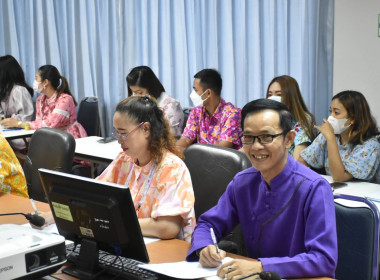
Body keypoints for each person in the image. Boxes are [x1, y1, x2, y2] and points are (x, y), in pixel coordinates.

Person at [187, 99, 337, 279]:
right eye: (249, 137)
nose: (256, 146)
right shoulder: (242, 182)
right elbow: (208, 224)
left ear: (289, 139)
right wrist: (204, 247)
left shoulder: (314, 188)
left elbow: (323, 259)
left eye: (266, 137)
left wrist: (261, 266)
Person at [97, 95, 196, 242]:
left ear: (145, 129)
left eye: (123, 133)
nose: (118, 139)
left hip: (167, 252)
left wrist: (118, 222)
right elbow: (96, 194)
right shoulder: (124, 160)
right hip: (133, 242)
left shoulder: (171, 167)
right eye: (116, 132)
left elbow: (167, 227)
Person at [300, 90, 380, 183]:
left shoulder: (370, 145)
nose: (330, 117)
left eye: (336, 113)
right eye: (330, 111)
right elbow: (303, 161)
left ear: (353, 118)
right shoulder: (327, 136)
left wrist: (331, 138)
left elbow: (339, 177)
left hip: (361, 195)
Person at [2, 65, 87, 140]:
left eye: (36, 78)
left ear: (45, 82)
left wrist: (19, 123)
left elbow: (50, 125)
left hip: (69, 139)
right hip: (51, 138)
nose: (34, 82)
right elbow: (38, 123)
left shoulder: (65, 99)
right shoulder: (40, 100)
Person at [177, 69, 242, 152]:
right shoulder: (196, 112)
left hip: (223, 162)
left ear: (208, 93)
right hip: (201, 160)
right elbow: (185, 139)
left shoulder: (232, 114)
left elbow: (222, 149)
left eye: (196, 90)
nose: (192, 94)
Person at [266, 75, 316, 160]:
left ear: (290, 96)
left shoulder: (302, 119)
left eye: (279, 94)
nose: (272, 98)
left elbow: (297, 161)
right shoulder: (268, 118)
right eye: (270, 94)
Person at [126, 66, 184, 138]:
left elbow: (172, 136)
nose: (136, 96)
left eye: (140, 92)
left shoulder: (171, 105)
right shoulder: (138, 104)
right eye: (133, 92)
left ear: (151, 87)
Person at [0, 55, 34, 151]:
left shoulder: (19, 90)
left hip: (20, 134)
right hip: (8, 131)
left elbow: (25, 117)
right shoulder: (4, 91)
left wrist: (6, 121)